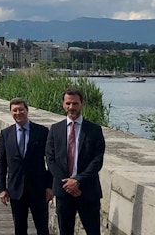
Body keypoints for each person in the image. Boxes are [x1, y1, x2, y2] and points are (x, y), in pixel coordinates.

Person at [45, 88, 105, 235]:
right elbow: (50, 159)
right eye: (68, 103)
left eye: (75, 103)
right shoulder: (55, 129)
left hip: (88, 190)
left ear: (82, 104)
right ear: (63, 105)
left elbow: (97, 160)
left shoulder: (94, 130)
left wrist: (77, 181)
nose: (71, 107)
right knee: (65, 231)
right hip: (63, 191)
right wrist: (67, 184)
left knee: (93, 231)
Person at [0, 98, 53, 235]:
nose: (18, 113)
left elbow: (51, 161)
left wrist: (49, 186)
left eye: (21, 109)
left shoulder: (42, 131)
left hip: (38, 189)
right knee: (19, 228)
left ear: (27, 110)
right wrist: (2, 189)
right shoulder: (6, 134)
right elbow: (2, 163)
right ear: (11, 112)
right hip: (16, 189)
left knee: (42, 228)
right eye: (15, 110)